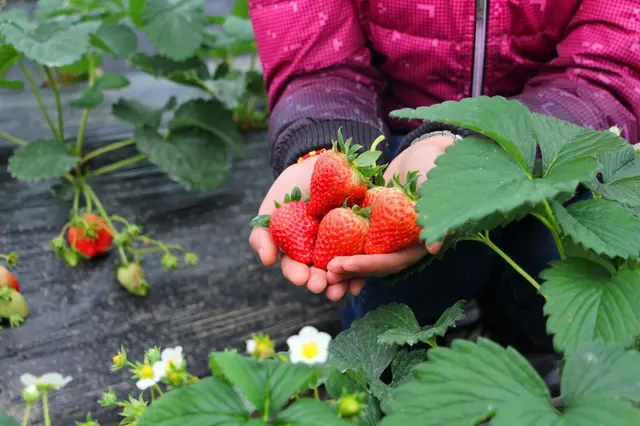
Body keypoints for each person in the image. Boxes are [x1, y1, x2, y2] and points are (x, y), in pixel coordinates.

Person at [247, 0, 640, 353]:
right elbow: (317, 62)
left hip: (551, 139)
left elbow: (610, 69)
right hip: (392, 157)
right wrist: (324, 147)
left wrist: (464, 149)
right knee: (398, 303)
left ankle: (537, 354)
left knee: (559, 267)